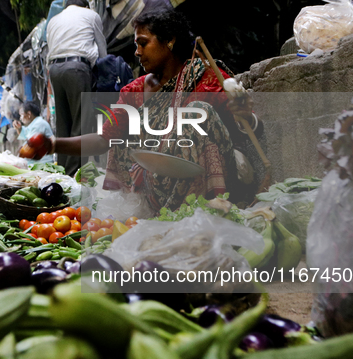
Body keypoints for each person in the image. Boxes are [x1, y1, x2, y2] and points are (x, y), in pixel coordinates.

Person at [23, 10, 264, 210]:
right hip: (156, 188)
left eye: (143, 43)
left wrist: (246, 117)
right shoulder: (134, 91)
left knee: (197, 111)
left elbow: (250, 129)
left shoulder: (206, 79)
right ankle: (159, 210)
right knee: (123, 139)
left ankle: (199, 211)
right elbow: (103, 139)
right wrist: (53, 144)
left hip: (206, 184)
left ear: (169, 40)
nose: (137, 52)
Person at [46, 0, 106, 175]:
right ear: (85, 5)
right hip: (77, 68)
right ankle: (73, 176)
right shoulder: (91, 15)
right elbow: (103, 53)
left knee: (63, 124)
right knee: (82, 124)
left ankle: (63, 174)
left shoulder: (53, 21)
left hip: (54, 70)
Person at [14, 101, 55, 165]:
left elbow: (31, 145)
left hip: (43, 165)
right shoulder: (34, 124)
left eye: (21, 115)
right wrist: (19, 128)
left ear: (29, 114)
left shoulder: (39, 124)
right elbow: (26, 133)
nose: (20, 118)